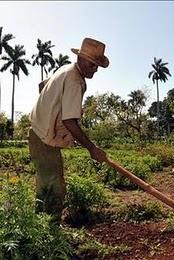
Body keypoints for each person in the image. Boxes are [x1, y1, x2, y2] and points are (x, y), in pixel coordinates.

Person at [28, 37, 109, 222]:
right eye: (92, 64)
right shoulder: (74, 80)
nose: (95, 69)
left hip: (37, 131)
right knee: (54, 189)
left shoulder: (65, 69)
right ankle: (49, 234)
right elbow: (70, 121)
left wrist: (49, 107)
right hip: (43, 138)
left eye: (97, 65)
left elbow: (42, 85)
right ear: (80, 59)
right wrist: (92, 148)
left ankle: (41, 227)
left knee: (46, 186)